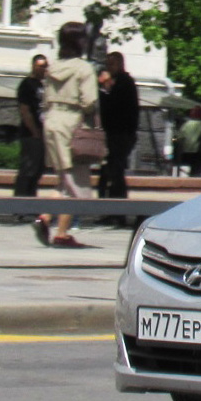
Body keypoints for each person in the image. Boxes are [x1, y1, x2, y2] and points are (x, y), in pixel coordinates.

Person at [38, 22, 98, 248]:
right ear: (79, 41)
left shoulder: (52, 68)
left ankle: (45, 217)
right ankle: (61, 233)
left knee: (64, 179)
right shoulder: (84, 69)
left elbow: (44, 99)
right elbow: (89, 101)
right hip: (72, 123)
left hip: (52, 120)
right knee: (76, 182)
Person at [97, 51, 140, 199]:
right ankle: (107, 203)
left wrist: (106, 87)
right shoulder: (116, 82)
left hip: (121, 133)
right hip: (112, 132)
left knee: (116, 170)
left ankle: (117, 205)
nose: (109, 68)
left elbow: (113, 105)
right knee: (109, 170)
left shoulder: (124, 82)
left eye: (112, 64)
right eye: (107, 64)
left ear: (120, 64)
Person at [13, 55, 48, 199]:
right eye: (40, 66)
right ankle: (20, 204)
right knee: (28, 169)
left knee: (38, 170)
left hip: (42, 133)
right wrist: (34, 131)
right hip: (30, 134)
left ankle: (31, 202)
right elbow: (24, 109)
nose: (43, 69)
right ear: (33, 66)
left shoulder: (43, 86)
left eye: (45, 66)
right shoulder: (27, 84)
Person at [175, 106, 201, 177]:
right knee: (197, 171)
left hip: (186, 150)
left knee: (189, 170)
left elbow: (180, 137)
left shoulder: (186, 125)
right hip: (198, 151)